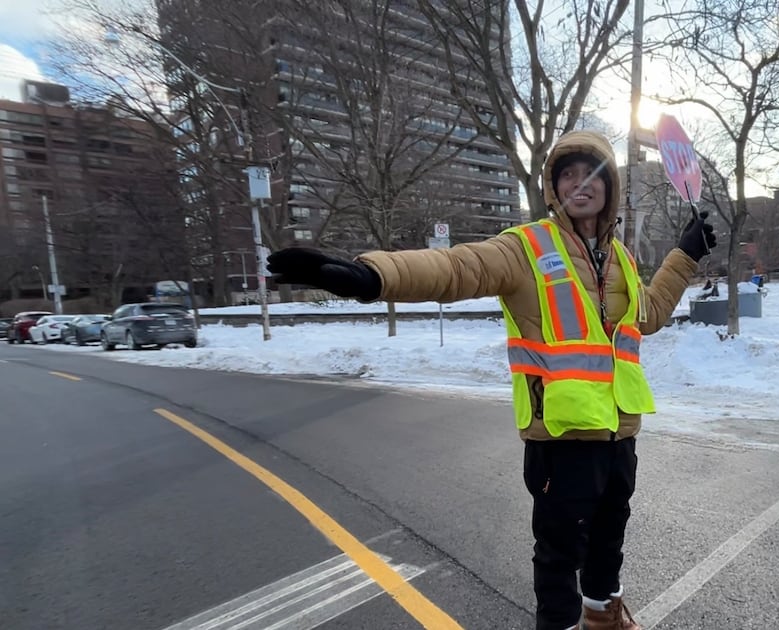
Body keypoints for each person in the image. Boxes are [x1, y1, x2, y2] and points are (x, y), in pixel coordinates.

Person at [266, 130, 717, 630]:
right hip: (560, 436)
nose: (579, 183)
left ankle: (603, 618)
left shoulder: (622, 260)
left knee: (609, 539)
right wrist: (373, 276)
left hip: (620, 435)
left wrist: (684, 256)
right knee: (558, 555)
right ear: (553, 186)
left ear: (609, 185)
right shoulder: (525, 248)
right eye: (567, 173)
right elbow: (456, 268)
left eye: (591, 173)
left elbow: (647, 315)